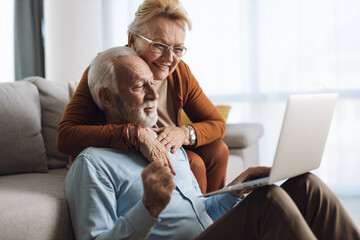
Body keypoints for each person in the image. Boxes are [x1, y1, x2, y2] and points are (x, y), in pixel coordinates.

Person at [65, 46, 360, 240]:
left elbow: (199, 212)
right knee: (269, 202)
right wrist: (148, 208)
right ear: (106, 98)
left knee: (306, 185)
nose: (154, 96)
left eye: (152, 84)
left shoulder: (166, 141)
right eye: (139, 87)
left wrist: (235, 191)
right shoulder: (93, 164)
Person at [57, 0, 227, 194]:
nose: (170, 58)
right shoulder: (107, 69)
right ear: (132, 40)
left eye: (178, 49)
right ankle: (198, 220)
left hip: (166, 145)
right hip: (121, 150)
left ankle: (215, 216)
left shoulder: (179, 72)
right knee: (194, 163)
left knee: (217, 151)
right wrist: (132, 134)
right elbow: (66, 137)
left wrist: (183, 133)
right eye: (159, 45)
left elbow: (217, 124)